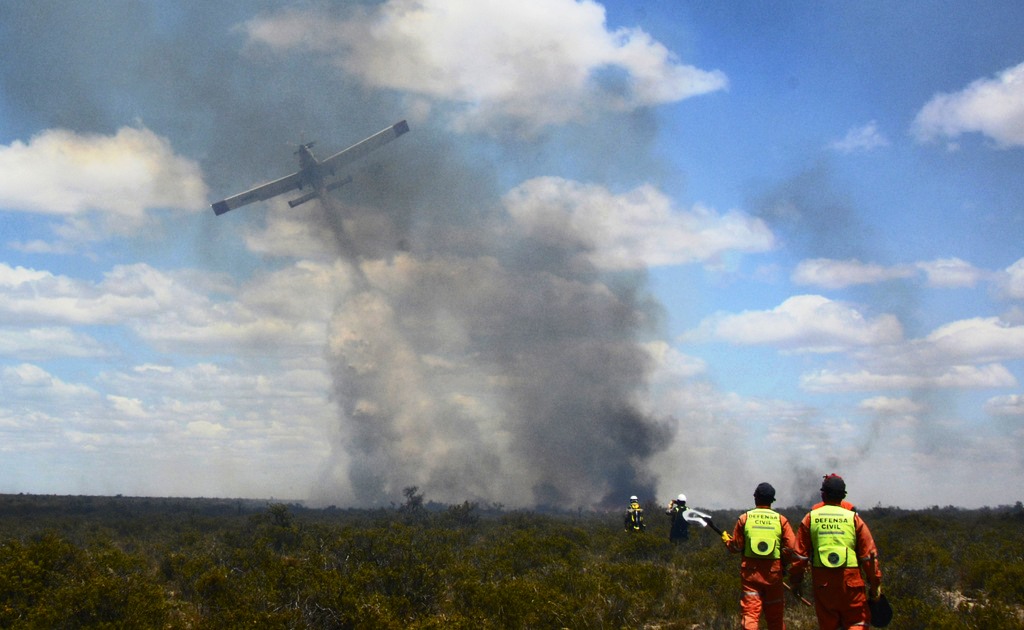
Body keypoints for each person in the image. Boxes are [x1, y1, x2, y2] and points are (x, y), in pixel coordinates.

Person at [790, 474, 883, 630]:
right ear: (843, 496)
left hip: (823, 584)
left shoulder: (810, 518)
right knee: (857, 623)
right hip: (851, 583)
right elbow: (869, 557)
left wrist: (796, 581)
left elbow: (800, 556)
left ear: (823, 495)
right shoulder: (854, 519)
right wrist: (875, 584)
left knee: (829, 625)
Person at [722, 482, 798, 630]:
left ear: (755, 498)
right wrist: (783, 565)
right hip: (774, 574)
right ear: (771, 500)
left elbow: (736, 547)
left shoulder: (744, 519)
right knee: (775, 618)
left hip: (750, 574)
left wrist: (727, 541)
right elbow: (791, 549)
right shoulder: (781, 520)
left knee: (750, 614)